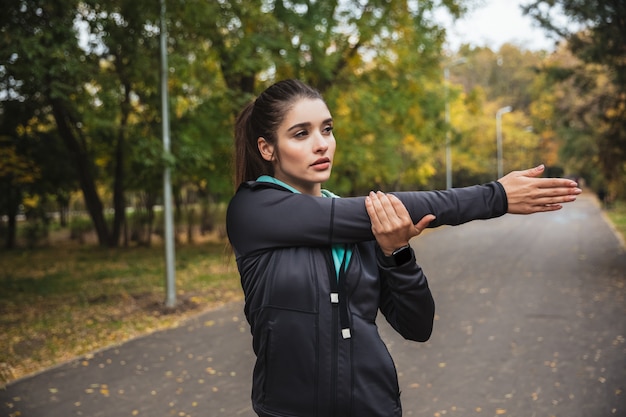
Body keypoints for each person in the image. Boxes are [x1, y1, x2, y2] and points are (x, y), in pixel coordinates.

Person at [226, 79, 581, 417]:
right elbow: (374, 210)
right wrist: (496, 197)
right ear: (266, 147)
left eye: (327, 129)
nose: (321, 144)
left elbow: (417, 326)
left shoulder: (365, 226)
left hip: (373, 406)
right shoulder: (254, 210)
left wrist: (398, 255)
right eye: (301, 133)